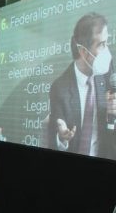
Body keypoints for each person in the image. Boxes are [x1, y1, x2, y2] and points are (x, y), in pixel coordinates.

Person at [48, 12, 116, 157]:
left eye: (107, 43)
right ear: (83, 51)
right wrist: (61, 138)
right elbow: (53, 144)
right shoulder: (60, 88)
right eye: (101, 45)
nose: (107, 52)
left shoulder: (109, 76)